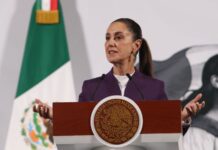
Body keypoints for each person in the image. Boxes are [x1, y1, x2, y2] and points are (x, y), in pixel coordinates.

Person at [33, 18, 205, 131]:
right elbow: (79, 127)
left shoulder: (154, 88)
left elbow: (164, 132)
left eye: (118, 37)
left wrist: (181, 118)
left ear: (136, 45)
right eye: (107, 38)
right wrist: (55, 116)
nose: (110, 43)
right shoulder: (91, 88)